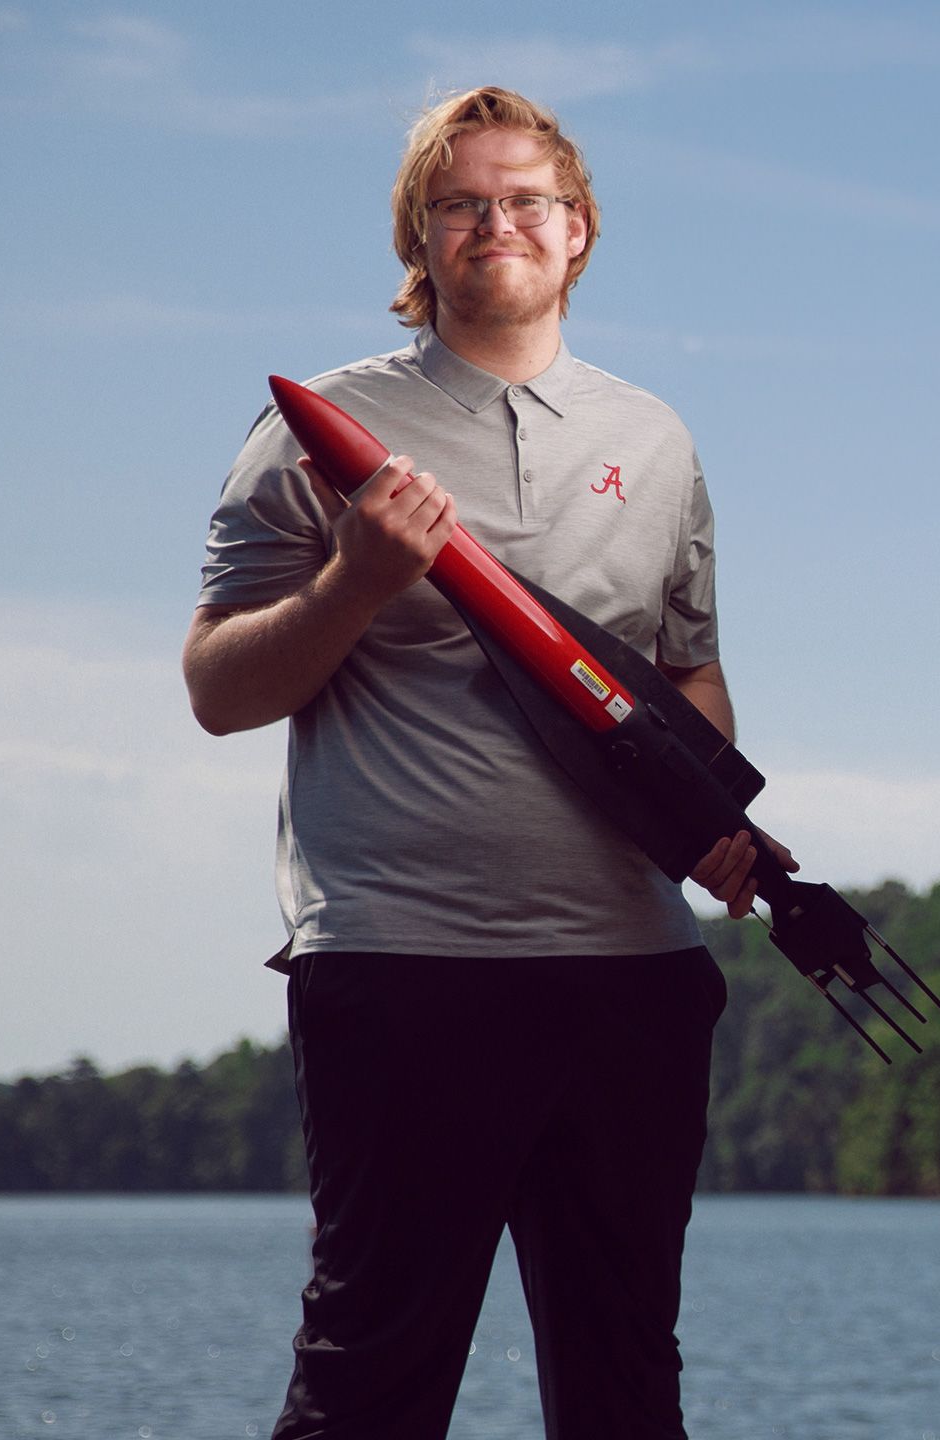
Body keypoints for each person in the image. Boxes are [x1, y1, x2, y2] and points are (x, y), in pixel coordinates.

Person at [184, 86, 785, 1438]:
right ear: (419, 236)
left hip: (634, 976)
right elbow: (219, 690)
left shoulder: (655, 441)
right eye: (460, 203)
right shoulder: (317, 432)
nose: (495, 223)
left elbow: (685, 675)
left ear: (578, 230)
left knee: (626, 1388)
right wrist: (356, 579)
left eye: (525, 200)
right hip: (406, 969)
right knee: (369, 1388)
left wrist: (707, 817)